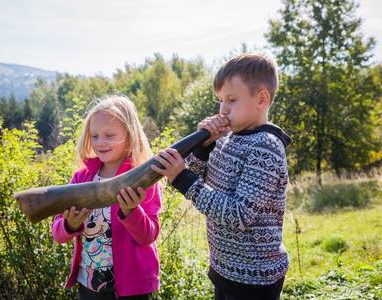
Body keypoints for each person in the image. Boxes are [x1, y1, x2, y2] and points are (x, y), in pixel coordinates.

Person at [152, 52, 292, 300]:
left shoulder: (265, 147)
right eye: (220, 101)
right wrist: (203, 147)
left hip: (254, 278)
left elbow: (238, 214)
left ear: (261, 99)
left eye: (232, 100)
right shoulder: (228, 141)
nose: (223, 109)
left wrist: (183, 179)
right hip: (225, 269)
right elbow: (195, 177)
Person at [52, 95, 161, 300]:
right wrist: (70, 224)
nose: (100, 142)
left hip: (132, 289)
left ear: (130, 135)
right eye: (94, 136)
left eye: (109, 135)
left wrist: (131, 210)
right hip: (89, 285)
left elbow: (148, 236)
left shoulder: (144, 178)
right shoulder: (81, 177)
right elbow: (58, 234)